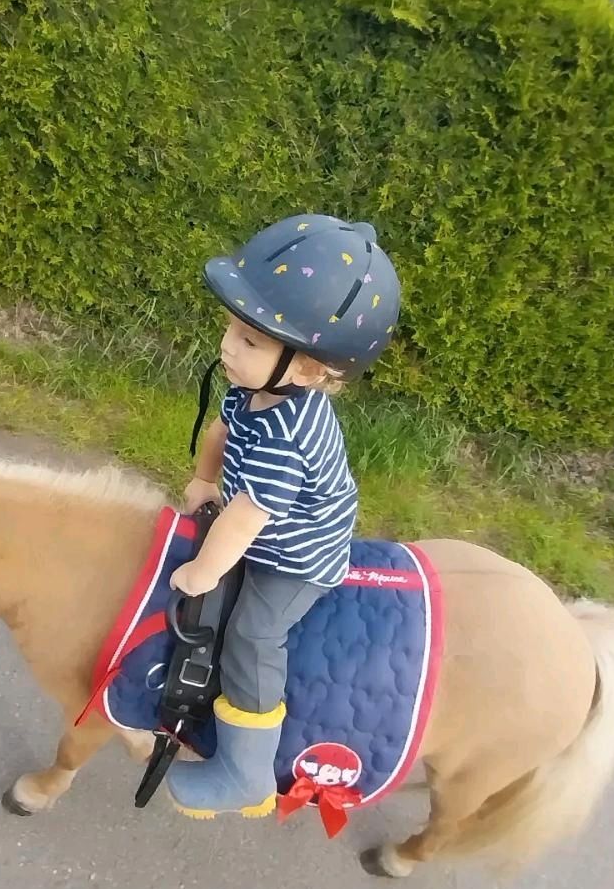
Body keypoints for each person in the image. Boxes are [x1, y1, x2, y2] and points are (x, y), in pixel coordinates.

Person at [166, 213, 401, 818]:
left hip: (296, 554)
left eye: (249, 341)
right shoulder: (250, 391)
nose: (227, 346)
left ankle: (245, 774)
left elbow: (247, 519)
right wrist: (203, 477)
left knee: (253, 632)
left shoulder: (289, 431)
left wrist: (204, 574)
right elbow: (220, 429)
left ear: (309, 368)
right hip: (256, 516)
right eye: (231, 329)